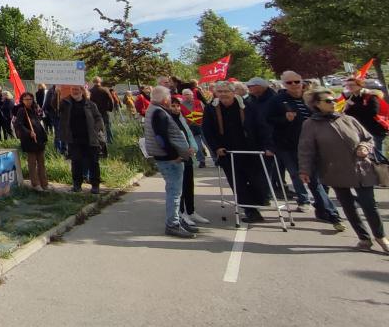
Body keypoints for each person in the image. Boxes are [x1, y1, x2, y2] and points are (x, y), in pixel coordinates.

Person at [299, 89, 388, 252]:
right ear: (317, 104)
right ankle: (364, 238)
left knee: (369, 205)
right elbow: (306, 149)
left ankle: (381, 237)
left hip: (362, 169)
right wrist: (304, 170)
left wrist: (364, 147)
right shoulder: (310, 124)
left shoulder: (348, 119)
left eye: (333, 100)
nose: (333, 103)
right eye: (328, 101)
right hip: (335, 170)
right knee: (348, 206)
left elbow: (367, 138)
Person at [268, 71, 343, 228]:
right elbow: (268, 120)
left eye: (297, 81)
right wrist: (284, 119)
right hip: (289, 146)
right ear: (283, 84)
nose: (294, 85)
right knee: (304, 177)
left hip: (314, 145)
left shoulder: (310, 98)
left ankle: (322, 209)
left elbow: (325, 114)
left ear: (302, 82)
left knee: (319, 179)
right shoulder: (277, 100)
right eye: (289, 83)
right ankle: (330, 213)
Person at [202, 82, 274, 223]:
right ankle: (251, 211)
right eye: (220, 91)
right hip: (228, 153)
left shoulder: (247, 106)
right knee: (238, 183)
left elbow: (261, 126)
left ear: (233, 92)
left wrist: (268, 146)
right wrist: (216, 147)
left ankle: (258, 201)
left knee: (258, 180)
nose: (223, 94)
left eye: (226, 91)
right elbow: (208, 131)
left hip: (251, 150)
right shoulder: (211, 108)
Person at [144, 87, 197, 238]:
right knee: (174, 193)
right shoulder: (159, 112)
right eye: (168, 98)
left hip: (165, 157)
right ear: (165, 99)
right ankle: (173, 224)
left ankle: (177, 220)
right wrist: (174, 155)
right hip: (168, 159)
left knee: (175, 192)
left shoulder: (153, 109)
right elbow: (161, 138)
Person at [58, 85, 106, 193]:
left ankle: (95, 185)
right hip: (74, 139)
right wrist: (57, 92)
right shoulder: (65, 103)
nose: (75, 91)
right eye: (73, 89)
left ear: (82, 91)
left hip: (90, 138)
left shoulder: (90, 104)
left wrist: (96, 129)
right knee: (76, 162)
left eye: (77, 89)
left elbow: (98, 118)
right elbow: (55, 107)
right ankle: (77, 185)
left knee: (93, 162)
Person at [342, 78, 388, 162]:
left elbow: (373, 112)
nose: (349, 87)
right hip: (361, 130)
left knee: (378, 155)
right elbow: (351, 114)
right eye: (347, 85)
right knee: (369, 155)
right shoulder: (351, 98)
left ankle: (384, 172)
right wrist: (347, 109)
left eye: (352, 85)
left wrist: (354, 105)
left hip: (375, 129)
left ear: (360, 86)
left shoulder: (370, 96)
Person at [11, 91, 49, 190]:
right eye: (26, 99)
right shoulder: (21, 111)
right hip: (29, 140)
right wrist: (28, 132)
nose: (28, 101)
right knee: (32, 163)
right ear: (22, 100)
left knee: (41, 162)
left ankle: (44, 184)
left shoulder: (34, 109)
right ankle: (35, 184)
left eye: (30, 99)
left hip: (39, 139)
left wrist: (44, 136)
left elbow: (39, 123)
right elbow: (18, 124)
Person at [89, 78, 115, 145]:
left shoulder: (90, 91)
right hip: (104, 111)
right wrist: (110, 109)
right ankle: (110, 141)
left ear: (93, 82)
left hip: (95, 112)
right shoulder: (105, 89)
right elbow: (111, 100)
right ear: (100, 82)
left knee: (97, 128)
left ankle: (100, 142)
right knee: (108, 126)